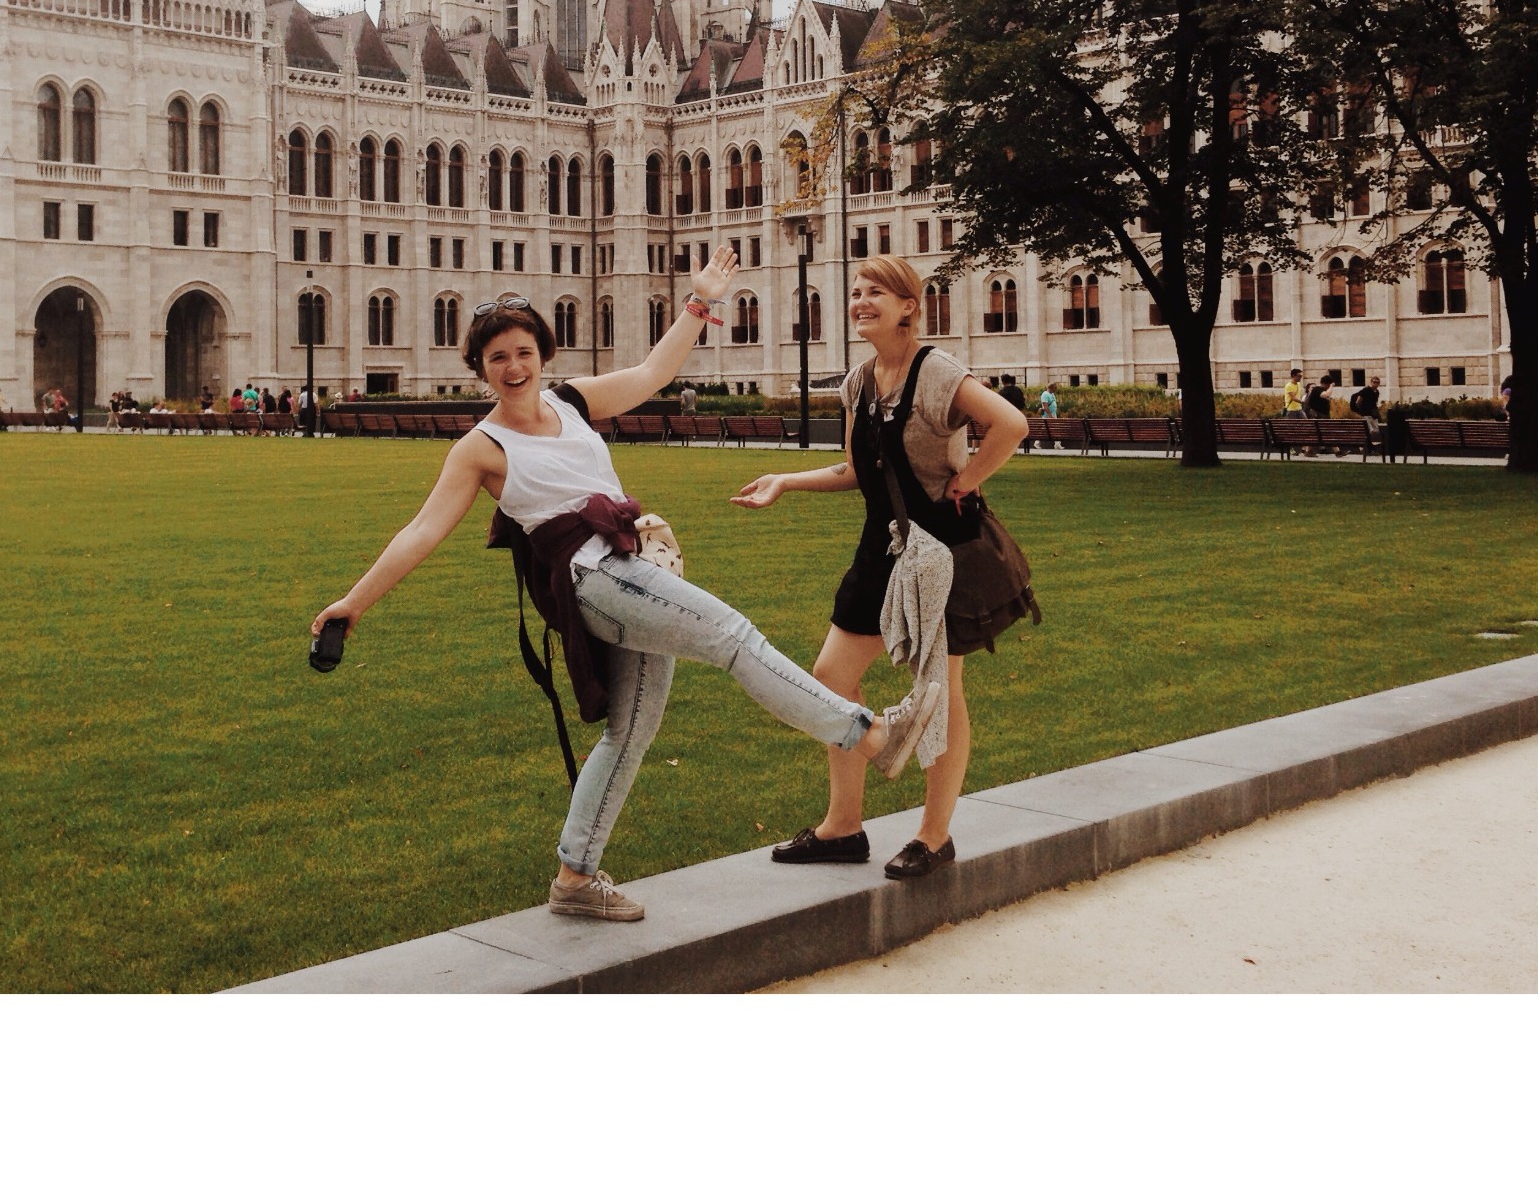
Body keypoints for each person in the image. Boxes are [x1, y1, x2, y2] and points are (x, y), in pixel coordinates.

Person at [308, 247, 933, 923]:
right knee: (730, 636)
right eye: (498, 359)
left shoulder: (570, 402)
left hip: (633, 564)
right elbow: (421, 532)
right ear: (480, 370)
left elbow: (652, 372)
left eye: (523, 352)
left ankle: (574, 877)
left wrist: (699, 304)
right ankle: (871, 736)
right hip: (597, 578)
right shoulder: (480, 448)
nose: (514, 367)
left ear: (542, 355)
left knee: (630, 732)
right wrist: (353, 601)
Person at [732, 256, 1029, 880]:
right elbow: (853, 471)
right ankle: (843, 827)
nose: (861, 301)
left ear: (908, 307)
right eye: (857, 292)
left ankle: (934, 835)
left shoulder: (937, 372)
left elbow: (1010, 423)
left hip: (937, 552)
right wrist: (786, 481)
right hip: (882, 545)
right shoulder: (860, 382)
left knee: (939, 694)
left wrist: (968, 480)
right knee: (831, 676)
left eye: (876, 293)